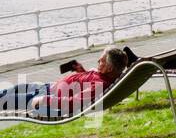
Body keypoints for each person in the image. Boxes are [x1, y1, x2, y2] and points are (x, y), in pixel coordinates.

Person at [1, 48, 130, 118]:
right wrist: (81, 71)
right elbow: (84, 87)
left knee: (5, 99)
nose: (98, 61)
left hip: (46, 97)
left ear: (110, 68)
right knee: (11, 90)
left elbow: (73, 102)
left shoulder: (99, 85)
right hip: (48, 87)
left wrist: (45, 100)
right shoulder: (104, 76)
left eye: (101, 61)